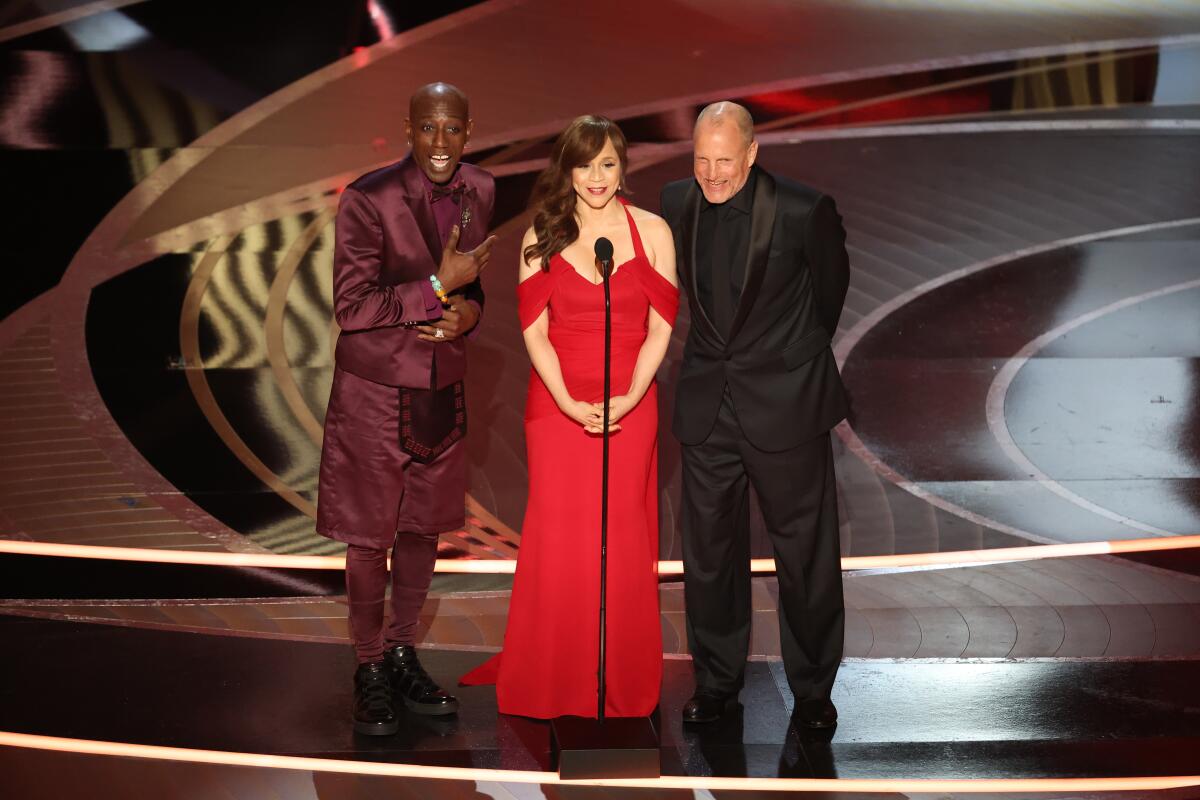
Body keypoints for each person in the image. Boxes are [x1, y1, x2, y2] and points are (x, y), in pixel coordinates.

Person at [461, 115, 678, 718]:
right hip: (557, 409)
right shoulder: (542, 234)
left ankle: (620, 678)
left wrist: (631, 397)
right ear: (568, 169)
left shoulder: (652, 231)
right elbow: (535, 333)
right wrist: (566, 401)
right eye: (585, 165)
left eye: (608, 164)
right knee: (561, 540)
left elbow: (662, 326)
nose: (597, 178)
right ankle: (554, 675)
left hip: (631, 405)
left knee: (624, 536)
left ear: (623, 166)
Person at [659, 102, 850, 730]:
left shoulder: (803, 210)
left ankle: (815, 694)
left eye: (725, 162)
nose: (712, 175)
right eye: (701, 160)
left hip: (786, 407)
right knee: (709, 556)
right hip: (707, 408)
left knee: (806, 558)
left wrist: (785, 363)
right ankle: (716, 685)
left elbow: (829, 295)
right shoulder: (676, 202)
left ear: (752, 153)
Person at [316, 82, 496, 736]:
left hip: (440, 391)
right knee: (371, 537)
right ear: (410, 128)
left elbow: (475, 288)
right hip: (373, 395)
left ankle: (401, 651)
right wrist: (437, 288)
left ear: (468, 131)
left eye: (453, 129)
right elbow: (351, 307)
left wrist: (469, 311)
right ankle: (368, 666)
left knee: (423, 530)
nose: (441, 143)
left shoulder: (482, 190)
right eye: (429, 129)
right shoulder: (367, 199)